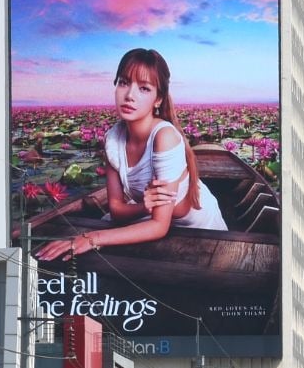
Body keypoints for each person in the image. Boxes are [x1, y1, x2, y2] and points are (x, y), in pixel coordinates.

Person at [36, 48, 227, 262]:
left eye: (144, 88)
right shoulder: (113, 139)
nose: (129, 95)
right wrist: (144, 206)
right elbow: (116, 209)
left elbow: (159, 226)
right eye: (124, 82)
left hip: (199, 231)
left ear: (158, 99)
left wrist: (92, 238)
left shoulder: (164, 137)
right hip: (152, 222)